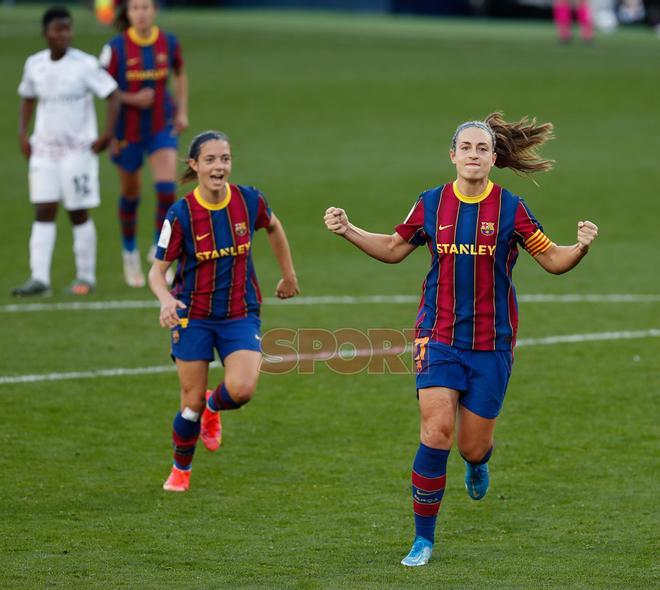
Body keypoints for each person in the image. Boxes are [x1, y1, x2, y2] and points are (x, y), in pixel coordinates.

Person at [324, 113, 599, 566]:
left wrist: (581, 247)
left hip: (492, 343)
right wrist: (349, 229)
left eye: (482, 149)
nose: (474, 155)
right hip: (438, 335)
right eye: (466, 147)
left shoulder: (511, 209)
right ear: (452, 155)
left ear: (494, 158)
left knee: (472, 444)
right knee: (436, 432)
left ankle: (477, 462)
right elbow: (394, 249)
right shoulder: (431, 203)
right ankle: (422, 539)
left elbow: (552, 259)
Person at [149, 131, 299, 492]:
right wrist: (166, 300)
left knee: (243, 389)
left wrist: (288, 274)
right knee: (190, 404)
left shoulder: (249, 201)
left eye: (225, 159)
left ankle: (214, 409)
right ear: (194, 165)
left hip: (239, 311)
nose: (220, 166)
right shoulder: (182, 213)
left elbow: (275, 227)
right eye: (211, 159)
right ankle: (180, 470)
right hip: (193, 315)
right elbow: (157, 271)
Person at [13, 6, 119, 297]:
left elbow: (112, 95)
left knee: (77, 211)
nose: (64, 34)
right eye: (58, 29)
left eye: (68, 28)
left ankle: (85, 276)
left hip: (78, 151)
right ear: (45, 33)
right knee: (43, 209)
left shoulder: (84, 64)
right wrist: (23, 133)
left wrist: (107, 134)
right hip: (44, 150)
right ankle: (39, 279)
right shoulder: (34, 64)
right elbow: (27, 98)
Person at [100, 0, 188, 288]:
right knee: (131, 193)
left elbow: (180, 74)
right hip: (127, 131)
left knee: (166, 189)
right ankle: (129, 252)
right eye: (135, 7)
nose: (141, 12)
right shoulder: (115, 48)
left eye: (146, 6)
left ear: (155, 10)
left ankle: (157, 251)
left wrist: (182, 111)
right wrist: (129, 99)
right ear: (128, 13)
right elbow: (102, 88)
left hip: (161, 126)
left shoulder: (169, 43)